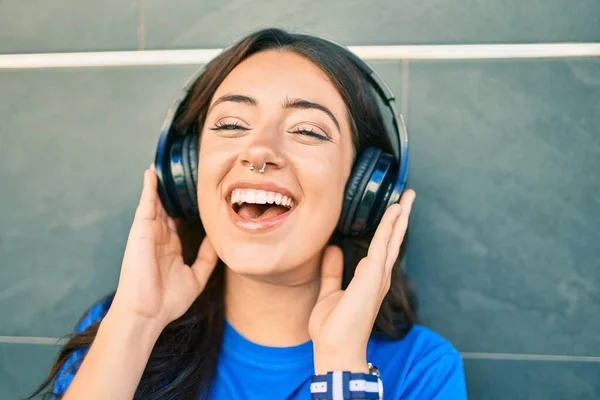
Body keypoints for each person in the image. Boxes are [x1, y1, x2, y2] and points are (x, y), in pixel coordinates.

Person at [30, 28, 467, 400]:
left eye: (308, 131)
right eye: (231, 124)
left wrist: (341, 368)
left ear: (365, 187)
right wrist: (136, 324)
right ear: (189, 171)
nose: (259, 151)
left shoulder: (421, 370)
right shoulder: (120, 324)